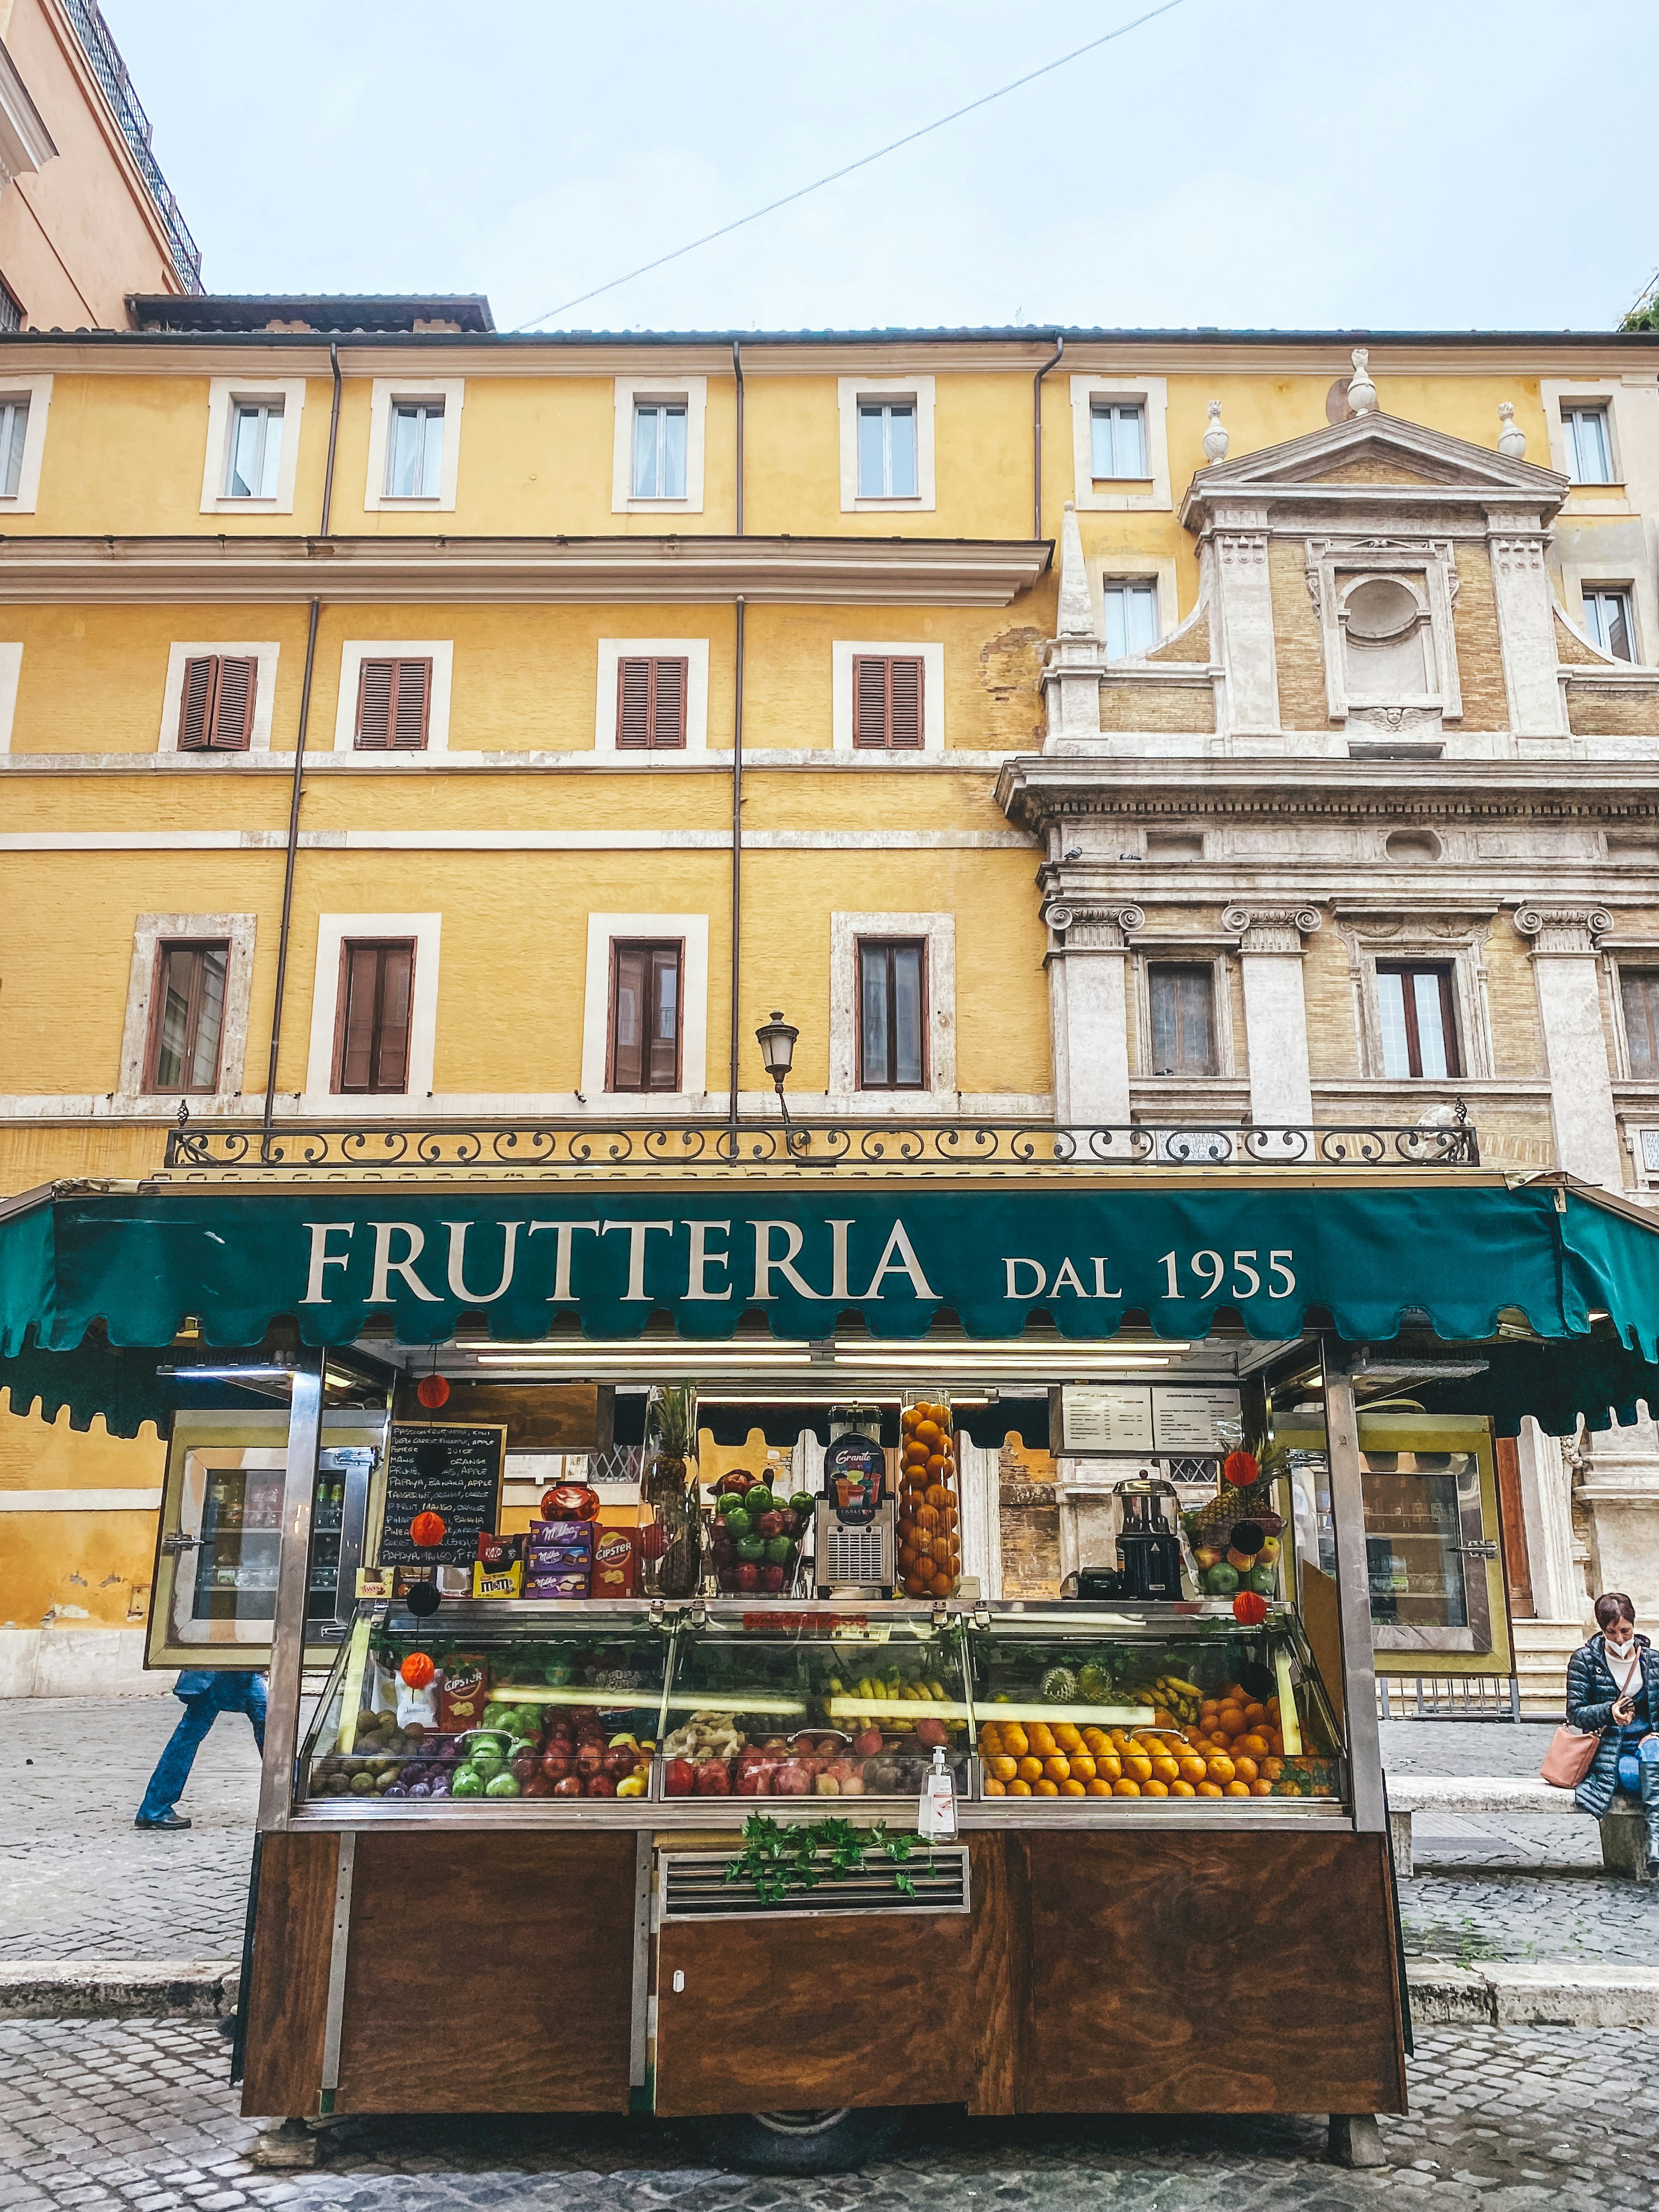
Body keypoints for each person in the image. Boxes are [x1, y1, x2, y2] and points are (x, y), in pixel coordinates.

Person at [1566, 1592, 1659, 1877]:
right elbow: (1576, 1713)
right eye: (1612, 1632)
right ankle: (1656, 1844)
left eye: (1625, 1631)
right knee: (1641, 1777)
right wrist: (1609, 1712)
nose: (1620, 1639)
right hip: (1611, 1750)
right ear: (1601, 1629)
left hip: (1651, 1744)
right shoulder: (1584, 1660)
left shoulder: (1653, 1661)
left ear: (1634, 1625)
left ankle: (1656, 1846)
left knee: (1653, 1760)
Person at [135, 1667, 267, 1830]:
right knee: (270, 1725)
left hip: (229, 1674)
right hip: (220, 1674)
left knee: (187, 1737)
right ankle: (154, 1809)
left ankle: (154, 1809)